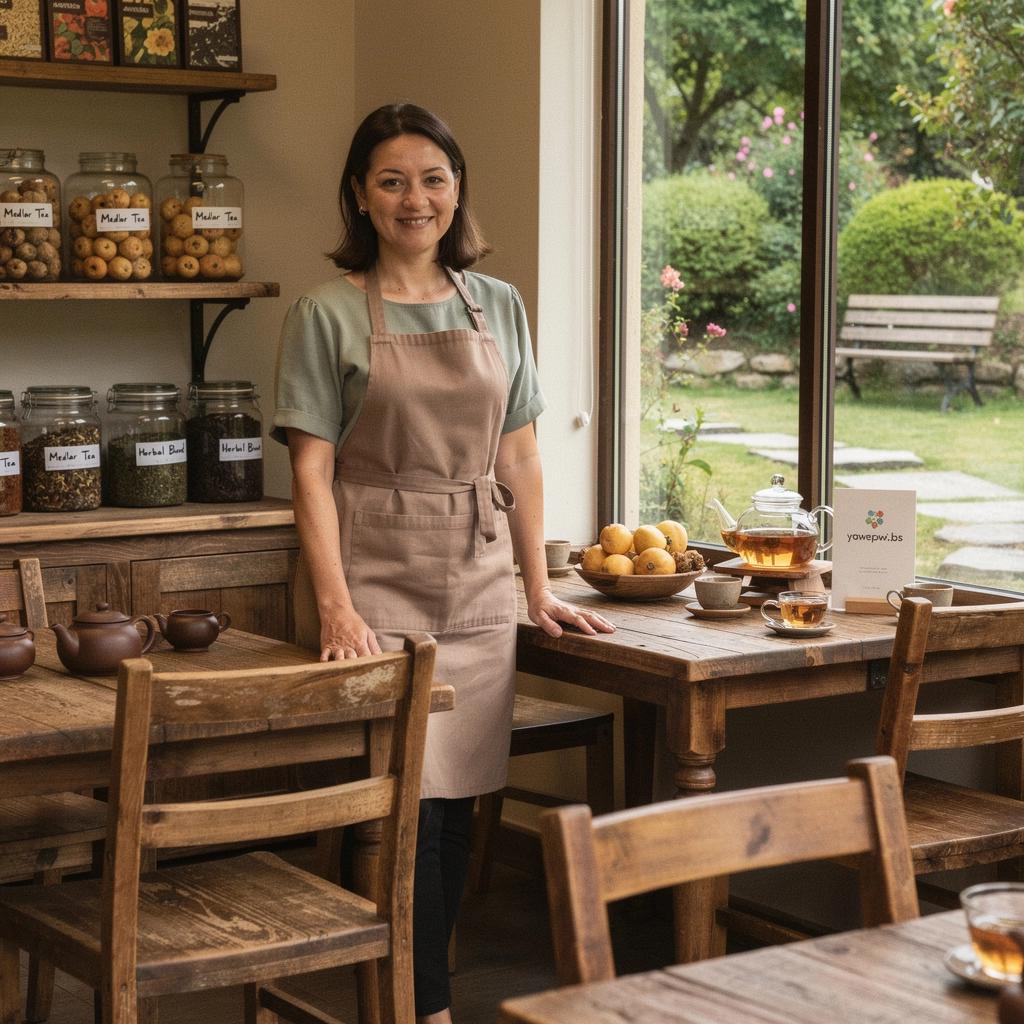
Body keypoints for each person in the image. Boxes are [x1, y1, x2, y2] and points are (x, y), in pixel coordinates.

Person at [272, 103, 614, 1023]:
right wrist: (336, 606)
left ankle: (417, 995)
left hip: (477, 577)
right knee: (406, 808)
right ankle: (422, 1007)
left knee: (457, 800)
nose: (414, 198)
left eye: (432, 178)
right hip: (373, 578)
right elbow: (309, 473)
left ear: (457, 189)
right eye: (391, 181)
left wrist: (537, 589)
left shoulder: (497, 304)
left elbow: (521, 457)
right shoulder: (324, 312)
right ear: (360, 195)